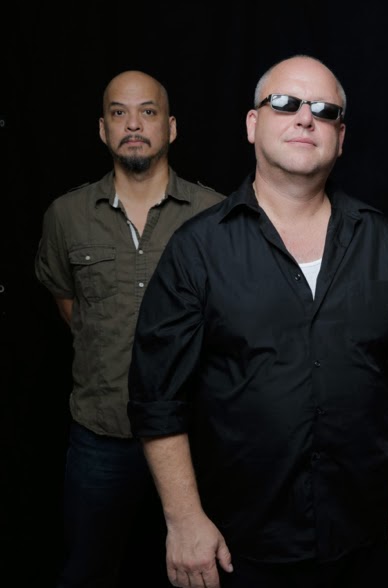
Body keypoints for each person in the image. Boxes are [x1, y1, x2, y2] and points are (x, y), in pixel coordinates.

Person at [127, 54, 388, 588]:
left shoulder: (383, 243)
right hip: (241, 542)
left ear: (340, 138)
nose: (305, 118)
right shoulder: (197, 249)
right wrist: (183, 519)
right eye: (285, 103)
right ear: (253, 124)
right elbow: (157, 397)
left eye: (324, 110)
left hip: (366, 532)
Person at [34, 70, 225, 588]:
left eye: (148, 112)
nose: (133, 125)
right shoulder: (66, 216)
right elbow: (70, 306)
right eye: (119, 113)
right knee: (88, 571)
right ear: (103, 129)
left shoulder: (214, 214)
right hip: (102, 437)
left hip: (194, 437)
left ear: (171, 127)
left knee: (205, 570)